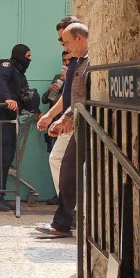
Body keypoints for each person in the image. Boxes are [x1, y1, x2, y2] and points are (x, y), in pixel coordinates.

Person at [36, 23, 90, 237]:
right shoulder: (77, 63)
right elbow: (71, 97)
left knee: (68, 169)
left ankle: (69, 219)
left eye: (66, 42)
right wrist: (55, 117)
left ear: (79, 38)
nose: (65, 48)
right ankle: (67, 219)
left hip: (84, 124)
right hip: (76, 121)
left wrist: (64, 118)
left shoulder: (89, 63)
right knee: (66, 168)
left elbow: (85, 97)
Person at [0, 44, 34, 212]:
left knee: (6, 159)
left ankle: (0, 196)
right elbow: (0, 80)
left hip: (9, 120)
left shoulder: (19, 74)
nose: (30, 59)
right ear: (19, 55)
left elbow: (22, 95)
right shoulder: (6, 66)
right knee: (3, 158)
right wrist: (7, 98)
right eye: (27, 55)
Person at [37, 16, 80, 205]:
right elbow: (58, 97)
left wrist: (65, 118)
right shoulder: (68, 69)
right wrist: (50, 115)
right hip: (68, 118)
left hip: (76, 120)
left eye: (64, 39)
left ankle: (71, 210)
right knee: (59, 160)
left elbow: (78, 95)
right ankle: (69, 209)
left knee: (61, 160)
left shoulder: (82, 61)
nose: (63, 44)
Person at [41, 51, 71, 205]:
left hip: (68, 123)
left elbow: (73, 97)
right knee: (56, 159)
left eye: (68, 60)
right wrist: (53, 89)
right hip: (56, 123)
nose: (66, 63)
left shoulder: (75, 75)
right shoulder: (58, 78)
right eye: (64, 60)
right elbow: (46, 99)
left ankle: (68, 198)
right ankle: (60, 194)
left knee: (66, 161)